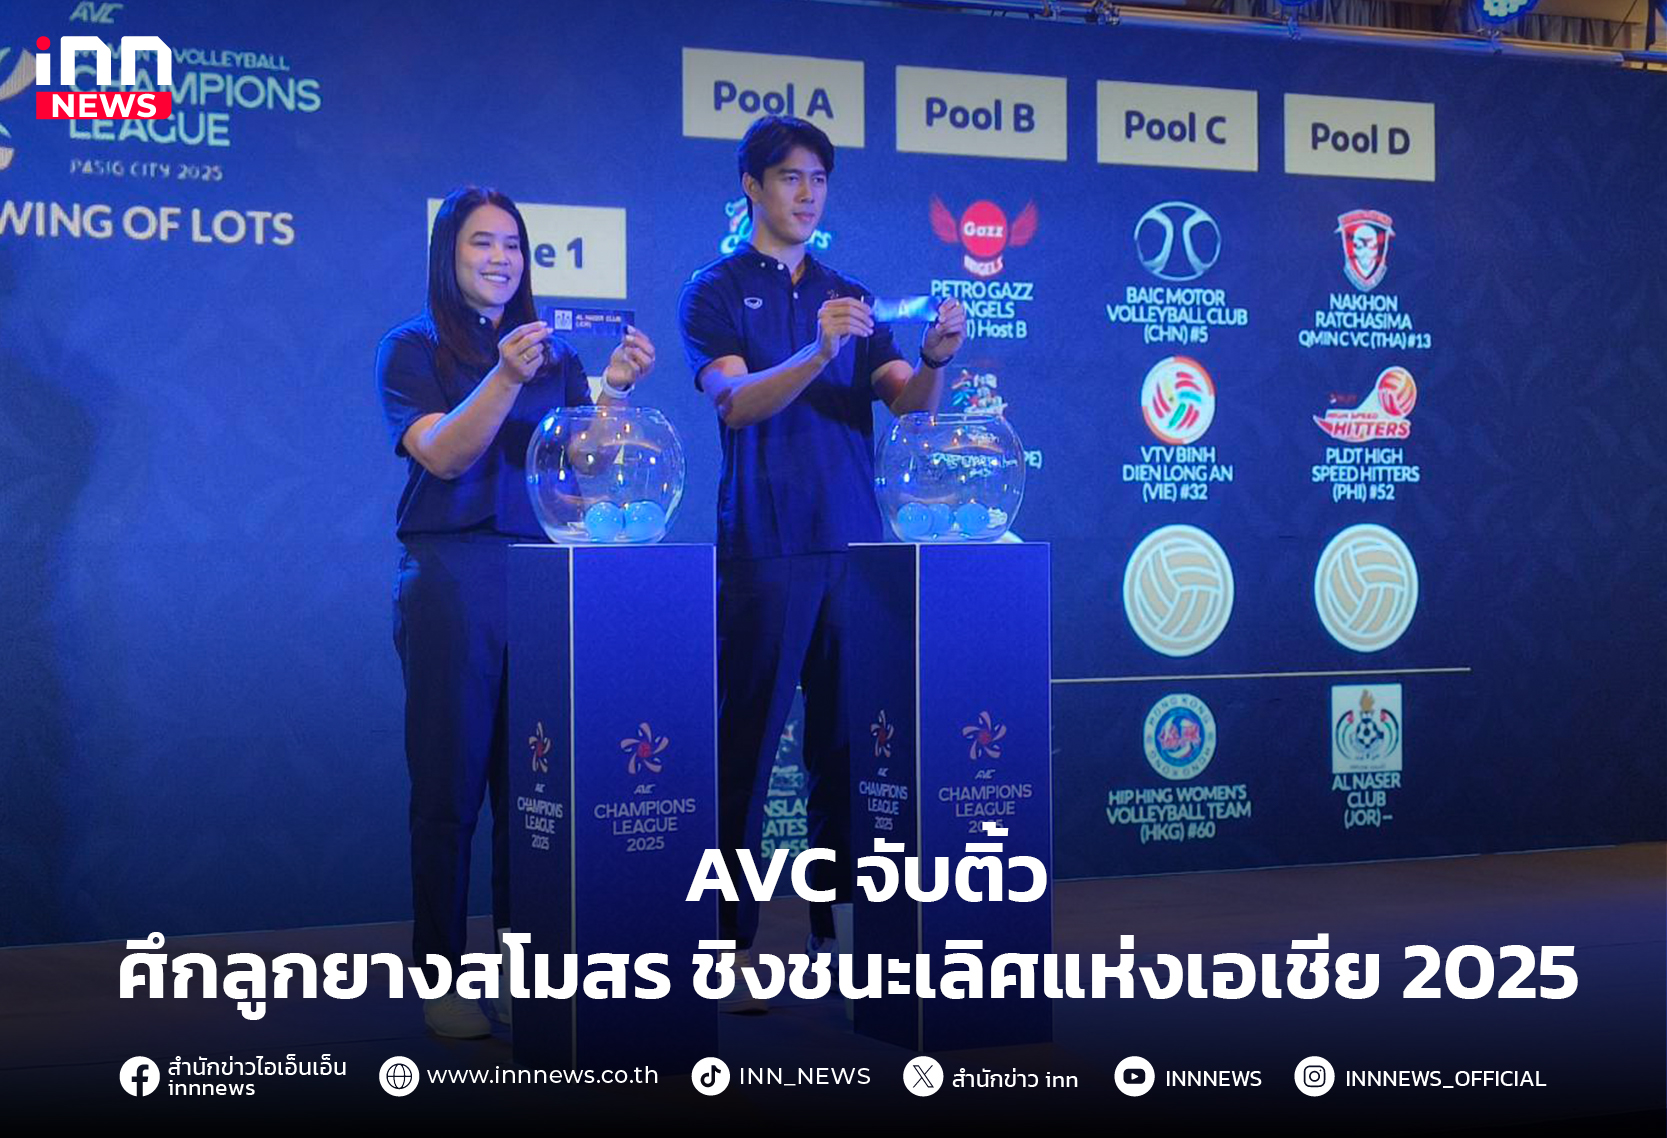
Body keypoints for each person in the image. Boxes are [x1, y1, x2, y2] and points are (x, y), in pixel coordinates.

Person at [677, 116, 966, 1012]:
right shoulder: (715, 290)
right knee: (745, 747)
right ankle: (727, 944)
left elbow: (910, 408)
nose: (806, 194)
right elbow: (734, 402)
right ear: (751, 188)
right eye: (789, 177)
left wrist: (934, 360)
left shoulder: (849, 294)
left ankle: (836, 933)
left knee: (847, 748)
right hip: (764, 548)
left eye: (819, 180)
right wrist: (817, 350)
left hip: (853, 547)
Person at [376, 185, 655, 1038]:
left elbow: (583, 470)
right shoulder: (412, 347)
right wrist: (503, 375)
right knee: (449, 787)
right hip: (454, 577)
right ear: (448, 254)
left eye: (512, 245)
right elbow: (445, 455)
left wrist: (611, 392)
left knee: (536, 790)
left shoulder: (556, 355)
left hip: (541, 576)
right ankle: (440, 975)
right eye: (481, 243)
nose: (500, 259)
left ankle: (524, 971)